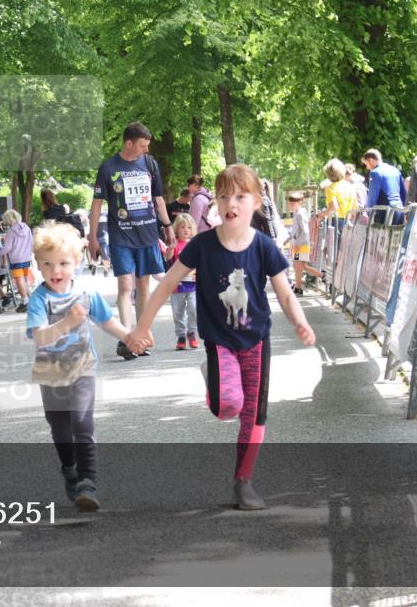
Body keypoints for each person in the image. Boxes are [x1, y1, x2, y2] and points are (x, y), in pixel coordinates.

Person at [126, 164, 316, 510]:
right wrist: (143, 327)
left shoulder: (264, 247)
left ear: (256, 202)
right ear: (216, 202)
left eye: (241, 196)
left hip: (257, 340)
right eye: (225, 195)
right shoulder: (202, 245)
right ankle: (215, 380)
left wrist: (300, 321)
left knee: (254, 415)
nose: (232, 202)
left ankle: (243, 481)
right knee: (228, 404)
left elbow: (286, 293)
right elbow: (169, 283)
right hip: (220, 341)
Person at [27, 222, 130, 512]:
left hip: (83, 367)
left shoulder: (86, 293)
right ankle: (70, 470)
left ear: (77, 262)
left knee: (82, 423)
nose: (55, 271)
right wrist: (67, 323)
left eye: (63, 263)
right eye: (47, 264)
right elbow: (40, 335)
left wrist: (130, 337)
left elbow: (106, 321)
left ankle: (88, 482)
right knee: (59, 428)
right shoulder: (39, 298)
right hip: (51, 372)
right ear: (38, 265)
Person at [88, 122, 175, 361]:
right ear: (129, 143)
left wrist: (168, 228)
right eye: (142, 146)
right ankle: (126, 339)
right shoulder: (108, 167)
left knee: (144, 287)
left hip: (147, 234)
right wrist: (93, 236)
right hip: (121, 235)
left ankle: (141, 334)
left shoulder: (149, 164)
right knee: (126, 286)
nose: (146, 150)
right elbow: (96, 205)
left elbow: (158, 199)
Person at [164, 213, 198, 350]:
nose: (186, 230)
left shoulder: (196, 244)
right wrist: (171, 248)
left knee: (194, 309)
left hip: (194, 284)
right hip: (177, 284)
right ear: (177, 229)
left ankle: (192, 332)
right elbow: (167, 257)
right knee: (178, 312)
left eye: (189, 227)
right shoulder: (175, 244)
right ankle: (181, 336)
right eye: (182, 227)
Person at [0, 209, 33, 313]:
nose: (5, 222)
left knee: (19, 280)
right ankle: (28, 300)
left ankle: (25, 301)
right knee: (25, 279)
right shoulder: (27, 228)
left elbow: (7, 248)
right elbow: (32, 243)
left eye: (5, 220)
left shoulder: (11, 231)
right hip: (26, 258)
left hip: (16, 259)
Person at [285, 192, 321, 295]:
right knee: (297, 266)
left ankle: (322, 276)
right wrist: (288, 239)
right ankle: (298, 287)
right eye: (290, 203)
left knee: (301, 266)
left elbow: (305, 231)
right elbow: (296, 231)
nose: (291, 205)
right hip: (298, 244)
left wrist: (297, 243)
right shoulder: (297, 213)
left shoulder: (300, 213)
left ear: (300, 202)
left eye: (293, 203)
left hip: (302, 245)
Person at [361, 148, 407, 225]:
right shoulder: (395, 170)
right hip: (399, 210)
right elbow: (403, 193)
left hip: (386, 212)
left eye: (366, 164)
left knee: (381, 237)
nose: (367, 168)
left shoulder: (375, 172)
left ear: (371, 160)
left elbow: (372, 197)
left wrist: (368, 213)